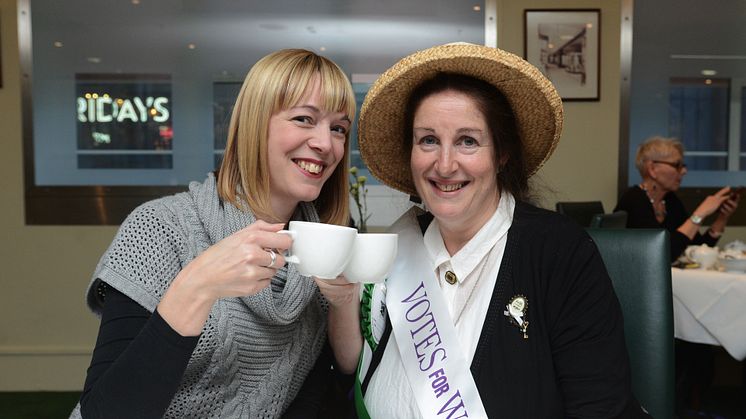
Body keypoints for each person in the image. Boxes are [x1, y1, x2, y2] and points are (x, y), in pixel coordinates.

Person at [346, 43, 649, 418]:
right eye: (428, 140)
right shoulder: (393, 250)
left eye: (467, 141)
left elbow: (600, 407)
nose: (444, 164)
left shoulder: (560, 251)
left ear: (501, 154)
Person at [69, 48, 361, 419]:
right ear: (255, 125)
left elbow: (324, 393)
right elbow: (107, 412)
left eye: (338, 128)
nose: (326, 143)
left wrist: (346, 301)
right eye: (304, 119)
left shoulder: (327, 244)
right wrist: (198, 287)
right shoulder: (161, 228)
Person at [614, 136, 740, 262]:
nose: (684, 171)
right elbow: (662, 255)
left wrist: (722, 218)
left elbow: (696, 247)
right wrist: (700, 213)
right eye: (677, 165)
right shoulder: (634, 201)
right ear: (652, 169)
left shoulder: (669, 200)